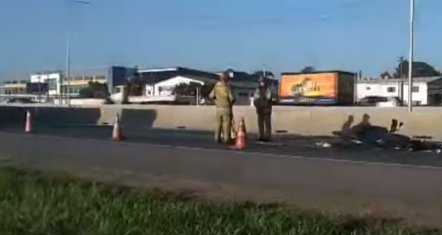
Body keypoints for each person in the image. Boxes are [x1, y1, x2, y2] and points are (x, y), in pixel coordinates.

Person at [209, 72, 236, 144]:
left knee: (218, 124)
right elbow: (232, 98)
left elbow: (211, 96)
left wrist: (216, 100)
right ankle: (227, 138)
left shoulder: (216, 86)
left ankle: (217, 138)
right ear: (227, 79)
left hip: (218, 108)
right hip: (226, 108)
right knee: (226, 124)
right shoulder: (227, 87)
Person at [253, 76, 273, 142]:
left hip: (266, 109)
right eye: (261, 82)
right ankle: (261, 135)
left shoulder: (268, 89)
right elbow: (255, 99)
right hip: (259, 109)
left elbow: (268, 99)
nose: (262, 83)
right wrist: (258, 104)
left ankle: (268, 136)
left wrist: (261, 102)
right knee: (260, 123)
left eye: (263, 82)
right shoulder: (257, 90)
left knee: (267, 123)